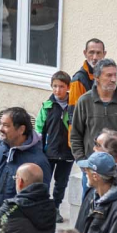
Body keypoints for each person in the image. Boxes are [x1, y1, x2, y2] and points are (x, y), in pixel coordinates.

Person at [0, 107, 51, 227]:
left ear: (21, 129)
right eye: (1, 124)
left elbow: (37, 205)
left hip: (11, 232)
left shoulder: (38, 163)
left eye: (6, 125)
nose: (0, 129)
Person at [69, 58, 117, 164]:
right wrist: (81, 160)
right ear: (97, 78)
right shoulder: (84, 101)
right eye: (109, 75)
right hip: (91, 164)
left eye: (115, 75)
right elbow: (75, 134)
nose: (114, 79)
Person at [36, 71, 76, 220]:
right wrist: (40, 149)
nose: (57, 90)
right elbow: (39, 129)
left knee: (61, 182)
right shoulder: (47, 106)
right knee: (45, 180)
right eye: (54, 86)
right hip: (49, 152)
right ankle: (44, 207)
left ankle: (56, 207)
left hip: (67, 152)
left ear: (68, 87)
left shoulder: (74, 106)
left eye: (61, 86)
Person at [69, 39, 106, 107]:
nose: (95, 57)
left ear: (104, 54)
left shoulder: (107, 75)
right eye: (91, 52)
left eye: (98, 53)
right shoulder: (78, 80)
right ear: (85, 53)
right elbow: (74, 112)